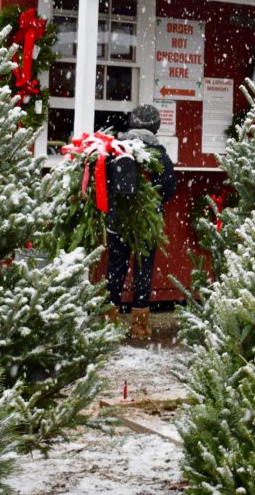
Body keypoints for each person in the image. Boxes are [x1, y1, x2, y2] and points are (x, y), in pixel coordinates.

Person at [106, 104, 176, 340]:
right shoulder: (159, 153)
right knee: (143, 272)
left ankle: (109, 321)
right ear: (155, 126)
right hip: (148, 222)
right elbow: (168, 190)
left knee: (115, 270)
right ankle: (139, 326)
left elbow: (105, 184)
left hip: (117, 220)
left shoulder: (117, 149)